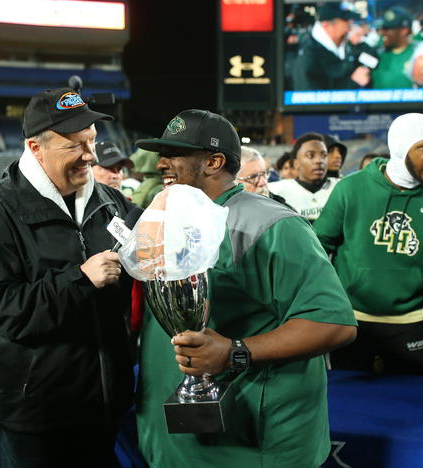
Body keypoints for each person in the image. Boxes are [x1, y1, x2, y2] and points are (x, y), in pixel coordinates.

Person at [135, 109, 357, 467]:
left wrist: (235, 351)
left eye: (175, 154)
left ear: (214, 161)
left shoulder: (273, 225)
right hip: (172, 443)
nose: (162, 163)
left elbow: (334, 324)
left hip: (250, 447)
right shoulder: (166, 217)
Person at [0, 87, 136, 466]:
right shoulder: (0, 214)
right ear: (35, 147)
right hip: (38, 413)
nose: (90, 156)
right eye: (75, 145)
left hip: (103, 401)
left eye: (92, 141)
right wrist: (80, 279)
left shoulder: (109, 201)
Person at [314, 113, 423, 376]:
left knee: (412, 403)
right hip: (351, 320)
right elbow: (318, 247)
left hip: (409, 322)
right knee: (349, 404)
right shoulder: (351, 189)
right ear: (401, 148)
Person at [291, 3, 370, 90]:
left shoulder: (342, 48)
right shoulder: (308, 58)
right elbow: (311, 100)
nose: (349, 29)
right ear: (327, 25)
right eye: (346, 24)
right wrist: (353, 82)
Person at [267, 133, 339, 222]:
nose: (319, 161)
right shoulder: (275, 191)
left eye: (324, 155)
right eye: (310, 155)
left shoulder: (341, 186)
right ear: (296, 163)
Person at [371, 7, 416, 89]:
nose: (382, 32)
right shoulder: (375, 54)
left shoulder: (417, 55)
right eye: (382, 28)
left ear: (404, 30)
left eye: (387, 29)